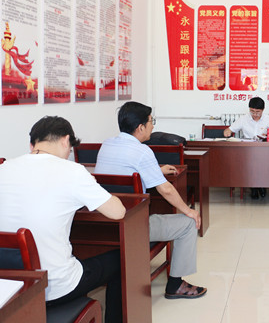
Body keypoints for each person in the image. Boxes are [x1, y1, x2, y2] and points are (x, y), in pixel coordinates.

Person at [0, 116, 126, 322]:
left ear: (32, 145)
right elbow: (118, 212)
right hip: (54, 288)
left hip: (11, 287)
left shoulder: (4, 167)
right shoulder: (73, 171)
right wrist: (91, 185)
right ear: (66, 140)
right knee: (121, 260)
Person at [95, 101, 206, 300]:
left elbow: (124, 173)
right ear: (140, 127)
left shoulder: (107, 145)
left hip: (106, 225)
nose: (153, 126)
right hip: (133, 227)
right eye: (151, 121)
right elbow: (166, 190)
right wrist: (189, 210)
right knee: (189, 223)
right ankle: (176, 285)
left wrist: (156, 170)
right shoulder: (142, 151)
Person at [224, 96, 269, 199]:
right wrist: (228, 132)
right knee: (249, 162)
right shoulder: (244, 119)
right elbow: (228, 130)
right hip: (247, 150)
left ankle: (260, 185)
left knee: (261, 162)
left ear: (263, 110)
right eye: (252, 111)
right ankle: (255, 187)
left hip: (264, 150)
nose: (255, 114)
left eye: (257, 112)